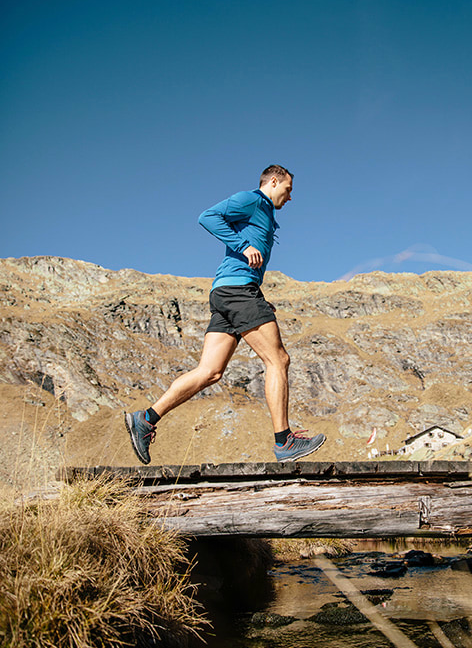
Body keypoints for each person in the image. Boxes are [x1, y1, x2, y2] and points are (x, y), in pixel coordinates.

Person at [125, 165, 326, 465]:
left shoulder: (265, 215)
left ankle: (146, 419)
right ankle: (284, 442)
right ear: (273, 181)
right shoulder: (253, 200)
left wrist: (257, 296)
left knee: (210, 372)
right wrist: (243, 247)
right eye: (288, 189)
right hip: (237, 293)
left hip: (230, 293)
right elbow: (207, 216)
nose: (290, 197)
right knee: (278, 359)